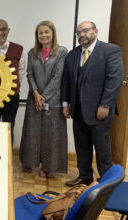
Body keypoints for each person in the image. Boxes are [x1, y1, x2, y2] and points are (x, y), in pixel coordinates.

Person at [62, 21, 123, 186]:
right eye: (78, 32)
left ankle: (106, 182)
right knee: (82, 146)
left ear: (95, 31)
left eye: (85, 31)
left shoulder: (110, 50)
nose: (82, 35)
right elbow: (66, 81)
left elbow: (114, 80)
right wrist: (66, 104)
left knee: (102, 149)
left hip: (100, 110)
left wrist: (106, 104)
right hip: (78, 109)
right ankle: (85, 177)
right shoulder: (72, 55)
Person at [19, 21, 68, 178]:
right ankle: (28, 161)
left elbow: (58, 76)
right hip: (34, 99)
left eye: (47, 32)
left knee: (51, 135)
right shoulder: (32, 52)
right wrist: (35, 93)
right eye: (40, 32)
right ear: (37, 35)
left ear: (52, 33)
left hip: (53, 101)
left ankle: (48, 167)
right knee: (31, 132)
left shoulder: (61, 52)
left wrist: (44, 96)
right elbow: (29, 74)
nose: (44, 35)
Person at [0, 19, 25, 143]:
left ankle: (8, 160)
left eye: (3, 29)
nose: (0, 32)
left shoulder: (19, 49)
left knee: (9, 127)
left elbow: (21, 73)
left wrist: (12, 90)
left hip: (12, 97)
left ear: (8, 31)